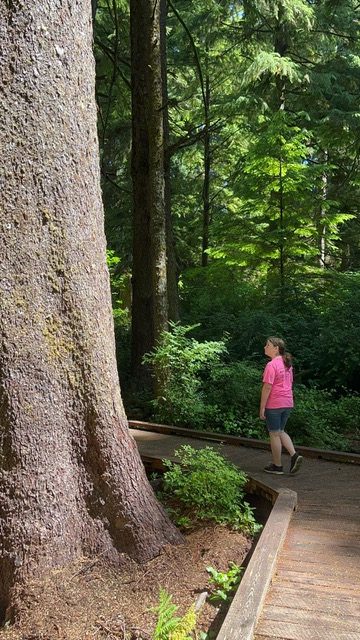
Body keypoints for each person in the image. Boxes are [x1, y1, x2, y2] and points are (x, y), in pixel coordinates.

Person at [259, 336, 303, 475]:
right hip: (288, 402)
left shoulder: (271, 365)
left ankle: (277, 466)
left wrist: (262, 407)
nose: (265, 347)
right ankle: (294, 455)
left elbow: (267, 387)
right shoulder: (287, 363)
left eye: (267, 345)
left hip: (275, 403)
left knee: (274, 434)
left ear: (276, 348)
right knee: (280, 431)